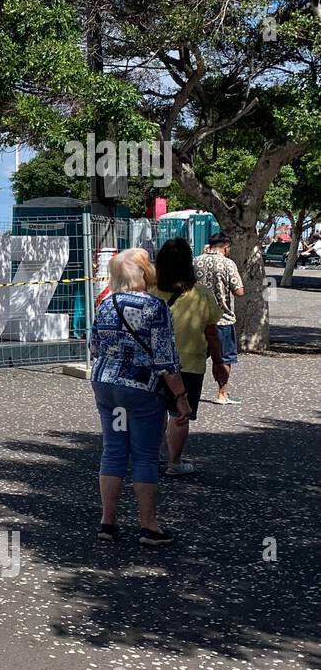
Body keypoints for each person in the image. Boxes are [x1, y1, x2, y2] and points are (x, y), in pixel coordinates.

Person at [89, 247, 189, 545]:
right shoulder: (155, 307)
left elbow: (95, 345)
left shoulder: (105, 304)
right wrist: (180, 398)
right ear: (144, 273)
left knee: (113, 449)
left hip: (106, 384)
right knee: (144, 455)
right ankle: (149, 526)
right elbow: (165, 359)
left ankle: (108, 522)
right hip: (140, 388)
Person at [150, 238, 229, 475]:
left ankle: (151, 459)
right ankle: (174, 462)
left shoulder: (151, 293)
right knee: (180, 414)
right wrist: (218, 362)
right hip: (190, 363)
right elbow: (212, 333)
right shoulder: (201, 294)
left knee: (155, 412)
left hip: (154, 364)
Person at [194, 232, 244, 404]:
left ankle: (188, 390)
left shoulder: (196, 261)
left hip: (198, 317)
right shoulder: (228, 263)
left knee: (197, 356)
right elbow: (239, 291)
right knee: (224, 358)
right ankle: (222, 393)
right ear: (226, 247)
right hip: (222, 318)